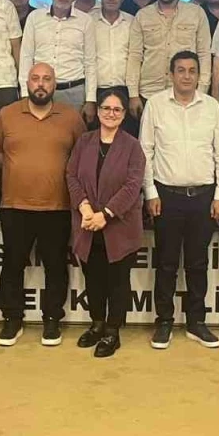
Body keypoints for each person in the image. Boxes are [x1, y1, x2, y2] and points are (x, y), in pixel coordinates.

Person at [0, 63, 87, 348]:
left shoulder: (71, 118)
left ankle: (52, 319)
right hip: (15, 205)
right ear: (27, 82)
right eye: (35, 79)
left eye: (47, 79)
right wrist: (17, 170)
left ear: (54, 84)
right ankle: (12, 319)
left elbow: (81, 156)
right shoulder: (7, 115)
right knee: (12, 265)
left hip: (57, 207)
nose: (41, 84)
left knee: (55, 267)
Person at [141, 51, 219, 349]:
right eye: (181, 70)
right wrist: (150, 192)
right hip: (166, 197)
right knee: (166, 263)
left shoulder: (211, 106)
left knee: (197, 263)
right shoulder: (156, 105)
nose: (187, 76)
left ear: (199, 75)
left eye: (192, 70)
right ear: (171, 74)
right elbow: (145, 152)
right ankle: (164, 322)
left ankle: (196, 322)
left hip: (203, 197)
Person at [67, 89, 145, 358]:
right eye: (106, 108)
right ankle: (97, 324)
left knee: (118, 282)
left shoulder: (132, 146)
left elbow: (133, 186)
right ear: (98, 111)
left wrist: (106, 214)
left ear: (124, 115)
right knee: (94, 280)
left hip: (119, 227)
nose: (111, 113)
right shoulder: (84, 142)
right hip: (88, 225)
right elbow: (71, 176)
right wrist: (85, 207)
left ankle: (112, 331)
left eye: (117, 109)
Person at [127, 0, 211, 119]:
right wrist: (133, 94)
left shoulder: (196, 13)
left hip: (186, 93)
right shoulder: (143, 15)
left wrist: (201, 91)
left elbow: (204, 54)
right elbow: (135, 56)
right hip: (149, 93)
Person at [19, 0, 96, 119]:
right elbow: (26, 56)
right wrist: (24, 93)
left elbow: (90, 62)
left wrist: (90, 100)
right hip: (40, 90)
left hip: (73, 92)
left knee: (73, 132)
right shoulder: (35, 18)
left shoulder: (86, 21)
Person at [91, 0, 135, 129]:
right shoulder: (88, 22)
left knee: (126, 138)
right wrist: (89, 99)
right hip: (97, 91)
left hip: (125, 91)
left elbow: (136, 58)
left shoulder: (133, 22)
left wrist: (134, 95)